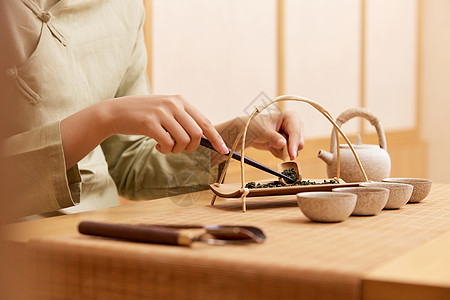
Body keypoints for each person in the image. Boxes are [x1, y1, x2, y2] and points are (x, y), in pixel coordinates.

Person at [3, 0, 304, 218]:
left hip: (103, 235)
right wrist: (105, 118)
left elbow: (129, 165)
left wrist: (239, 132)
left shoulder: (124, 9)